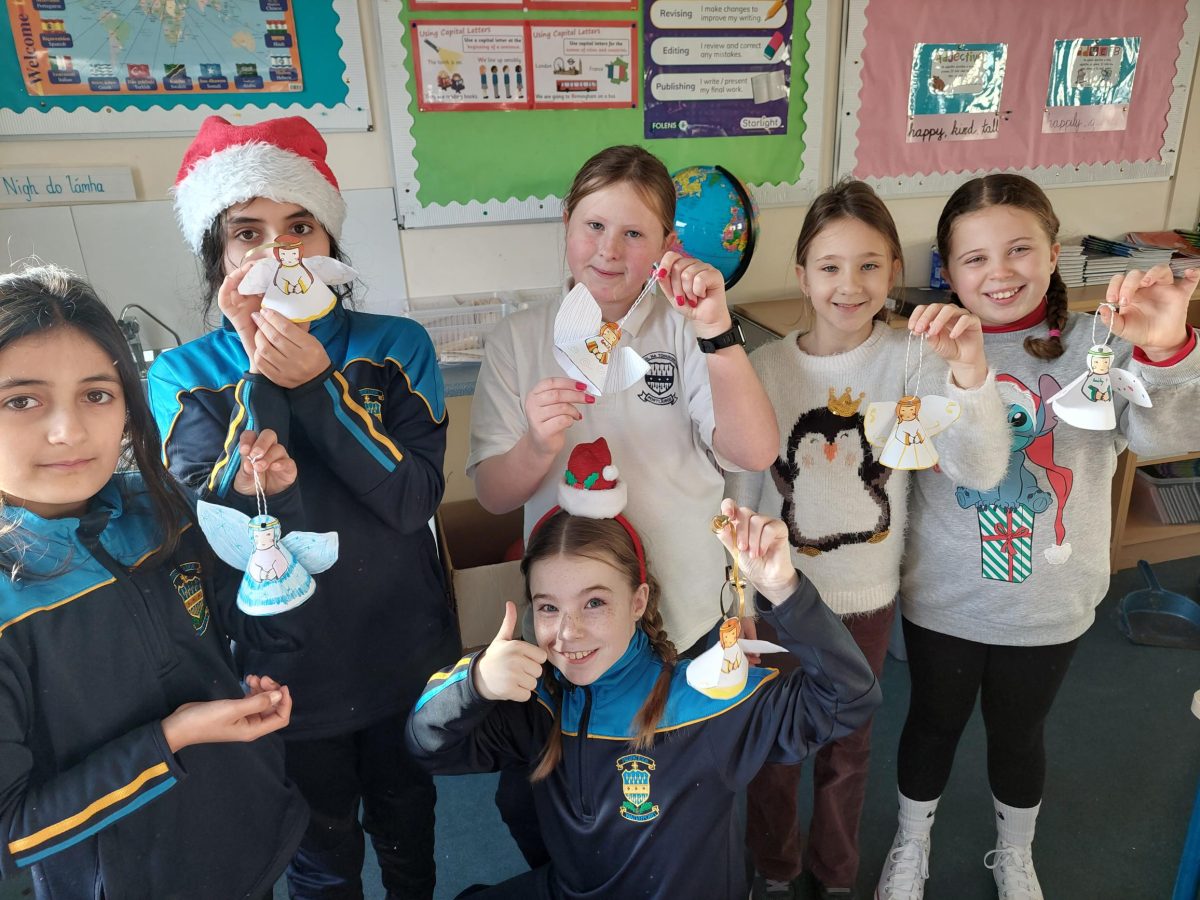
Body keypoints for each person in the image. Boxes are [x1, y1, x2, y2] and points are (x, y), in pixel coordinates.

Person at [147, 115, 460, 900]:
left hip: (401, 644)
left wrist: (319, 385)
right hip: (279, 667)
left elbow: (412, 501)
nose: (277, 251)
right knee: (319, 853)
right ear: (220, 257)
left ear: (328, 243)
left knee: (408, 824)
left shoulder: (395, 346)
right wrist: (260, 372)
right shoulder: (183, 374)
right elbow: (212, 519)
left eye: (299, 226)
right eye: (248, 233)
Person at [876, 173, 1200, 900]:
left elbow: (1165, 437)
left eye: (1020, 249)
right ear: (948, 271)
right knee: (931, 724)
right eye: (975, 257)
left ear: (1054, 254)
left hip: (1050, 597)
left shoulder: (1099, 344)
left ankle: (1015, 853)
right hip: (945, 595)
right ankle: (911, 841)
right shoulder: (922, 353)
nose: (1000, 272)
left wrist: (1169, 348)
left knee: (1019, 735)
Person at [467, 144, 778, 864]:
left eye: (634, 233)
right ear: (567, 227)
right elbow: (491, 492)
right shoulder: (519, 340)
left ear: (666, 245)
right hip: (569, 627)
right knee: (552, 793)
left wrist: (715, 329)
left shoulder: (686, 327)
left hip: (685, 608)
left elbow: (755, 451)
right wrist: (536, 447)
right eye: (594, 226)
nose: (609, 250)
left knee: (686, 790)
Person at [407, 437, 881, 899]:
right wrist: (475, 681)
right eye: (549, 607)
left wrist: (784, 591)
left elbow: (851, 698)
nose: (568, 632)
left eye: (594, 602)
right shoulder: (540, 702)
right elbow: (427, 747)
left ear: (638, 601)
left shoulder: (705, 700)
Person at [726, 180, 1008, 900]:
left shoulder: (913, 360)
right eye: (830, 267)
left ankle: (835, 875)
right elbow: (746, 488)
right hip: (777, 600)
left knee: (847, 751)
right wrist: (741, 599)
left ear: (894, 271)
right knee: (773, 749)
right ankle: (775, 869)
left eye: (870, 265)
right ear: (801, 275)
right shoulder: (765, 368)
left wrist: (970, 373)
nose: (849, 286)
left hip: (866, 600)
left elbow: (980, 468)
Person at [0, 265, 312, 899]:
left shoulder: (160, 506)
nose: (69, 431)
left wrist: (269, 514)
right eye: (21, 400)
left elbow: (255, 625)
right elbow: (13, 832)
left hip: (251, 832)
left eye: (96, 394)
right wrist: (174, 738)